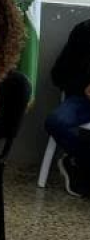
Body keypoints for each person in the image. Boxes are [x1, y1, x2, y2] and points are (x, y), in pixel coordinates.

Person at [46, 17, 90, 197]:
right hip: (82, 99)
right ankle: (80, 160)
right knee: (56, 121)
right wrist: (85, 85)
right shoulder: (84, 31)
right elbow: (59, 74)